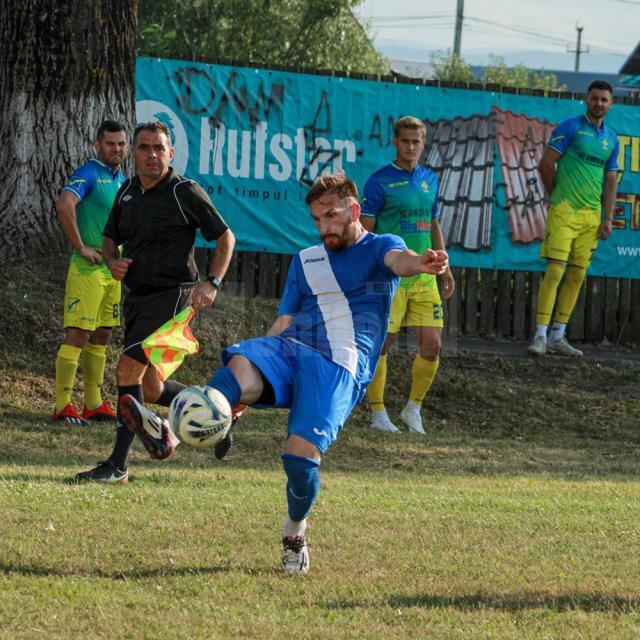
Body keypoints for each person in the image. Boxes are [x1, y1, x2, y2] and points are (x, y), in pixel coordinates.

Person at [118, 173, 449, 574]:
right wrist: (261, 357)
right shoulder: (307, 260)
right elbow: (283, 321)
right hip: (291, 347)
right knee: (240, 363)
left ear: (355, 211)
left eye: (331, 216)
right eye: (316, 219)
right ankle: (173, 432)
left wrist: (422, 263)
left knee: (299, 463)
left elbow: (402, 262)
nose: (324, 226)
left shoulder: (382, 247)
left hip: (340, 366)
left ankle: (295, 533)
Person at [74, 120, 235, 483]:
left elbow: (226, 237)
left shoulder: (184, 192)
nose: (152, 154)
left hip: (173, 296)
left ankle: (117, 465)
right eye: (144, 148)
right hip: (138, 297)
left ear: (171, 153)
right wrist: (113, 262)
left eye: (159, 148)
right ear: (134, 153)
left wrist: (212, 282)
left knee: (126, 371)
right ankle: (219, 415)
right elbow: (110, 240)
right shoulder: (128, 190)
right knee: (150, 388)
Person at [360, 115, 455, 435]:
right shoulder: (378, 181)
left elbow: (433, 223)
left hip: (426, 276)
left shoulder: (431, 179)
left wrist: (445, 266)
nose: (411, 147)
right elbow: (367, 232)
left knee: (433, 346)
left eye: (416, 142)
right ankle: (377, 413)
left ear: (423, 144)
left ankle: (413, 408)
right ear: (395, 142)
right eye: (405, 141)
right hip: (390, 277)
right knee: (381, 345)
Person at [529, 80, 620, 357]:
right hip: (565, 211)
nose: (599, 104)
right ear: (586, 99)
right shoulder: (570, 127)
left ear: (611, 104)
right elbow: (546, 163)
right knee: (556, 270)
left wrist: (606, 218)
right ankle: (540, 336)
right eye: (595, 98)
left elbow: (611, 179)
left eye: (604, 100)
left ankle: (558, 336)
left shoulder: (612, 139)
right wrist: (556, 195)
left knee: (577, 275)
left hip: (591, 218)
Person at [52, 120, 128, 426]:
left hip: (112, 270)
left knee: (102, 334)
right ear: (98, 144)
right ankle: (62, 406)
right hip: (88, 268)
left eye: (122, 144)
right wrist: (81, 246)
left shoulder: (121, 178)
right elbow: (64, 204)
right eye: (110, 143)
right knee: (80, 334)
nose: (117, 149)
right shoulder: (89, 172)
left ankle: (93, 403)